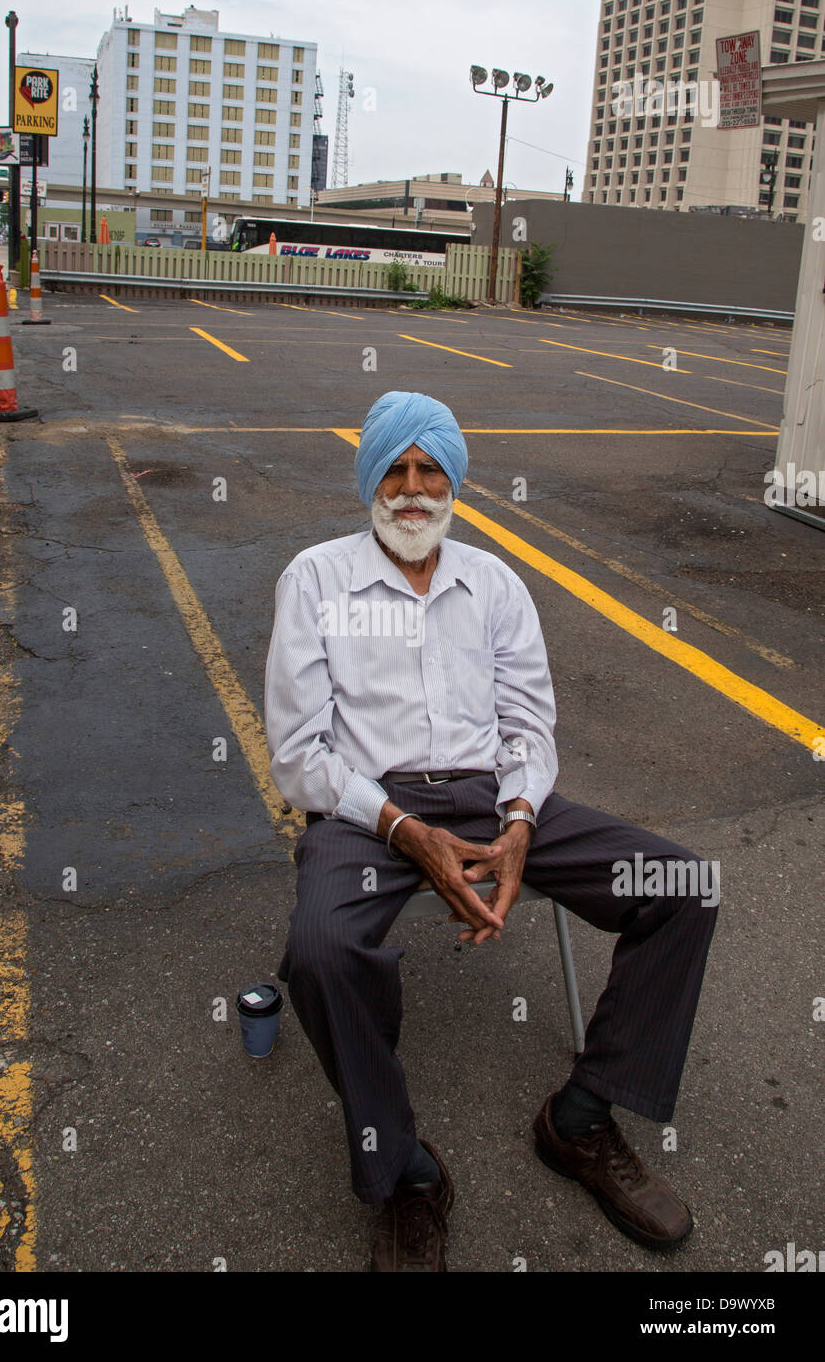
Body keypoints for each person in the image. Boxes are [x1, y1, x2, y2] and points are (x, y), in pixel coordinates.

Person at [264, 390, 719, 1272]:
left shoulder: (496, 583)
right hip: (365, 808)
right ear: (370, 478)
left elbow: (528, 725)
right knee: (321, 951)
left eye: (429, 470)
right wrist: (403, 830)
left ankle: (581, 1118)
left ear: (454, 482)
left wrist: (517, 824)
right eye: (393, 469)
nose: (410, 489)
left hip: (492, 801)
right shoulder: (315, 577)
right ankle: (404, 1171)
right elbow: (298, 753)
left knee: (684, 887)